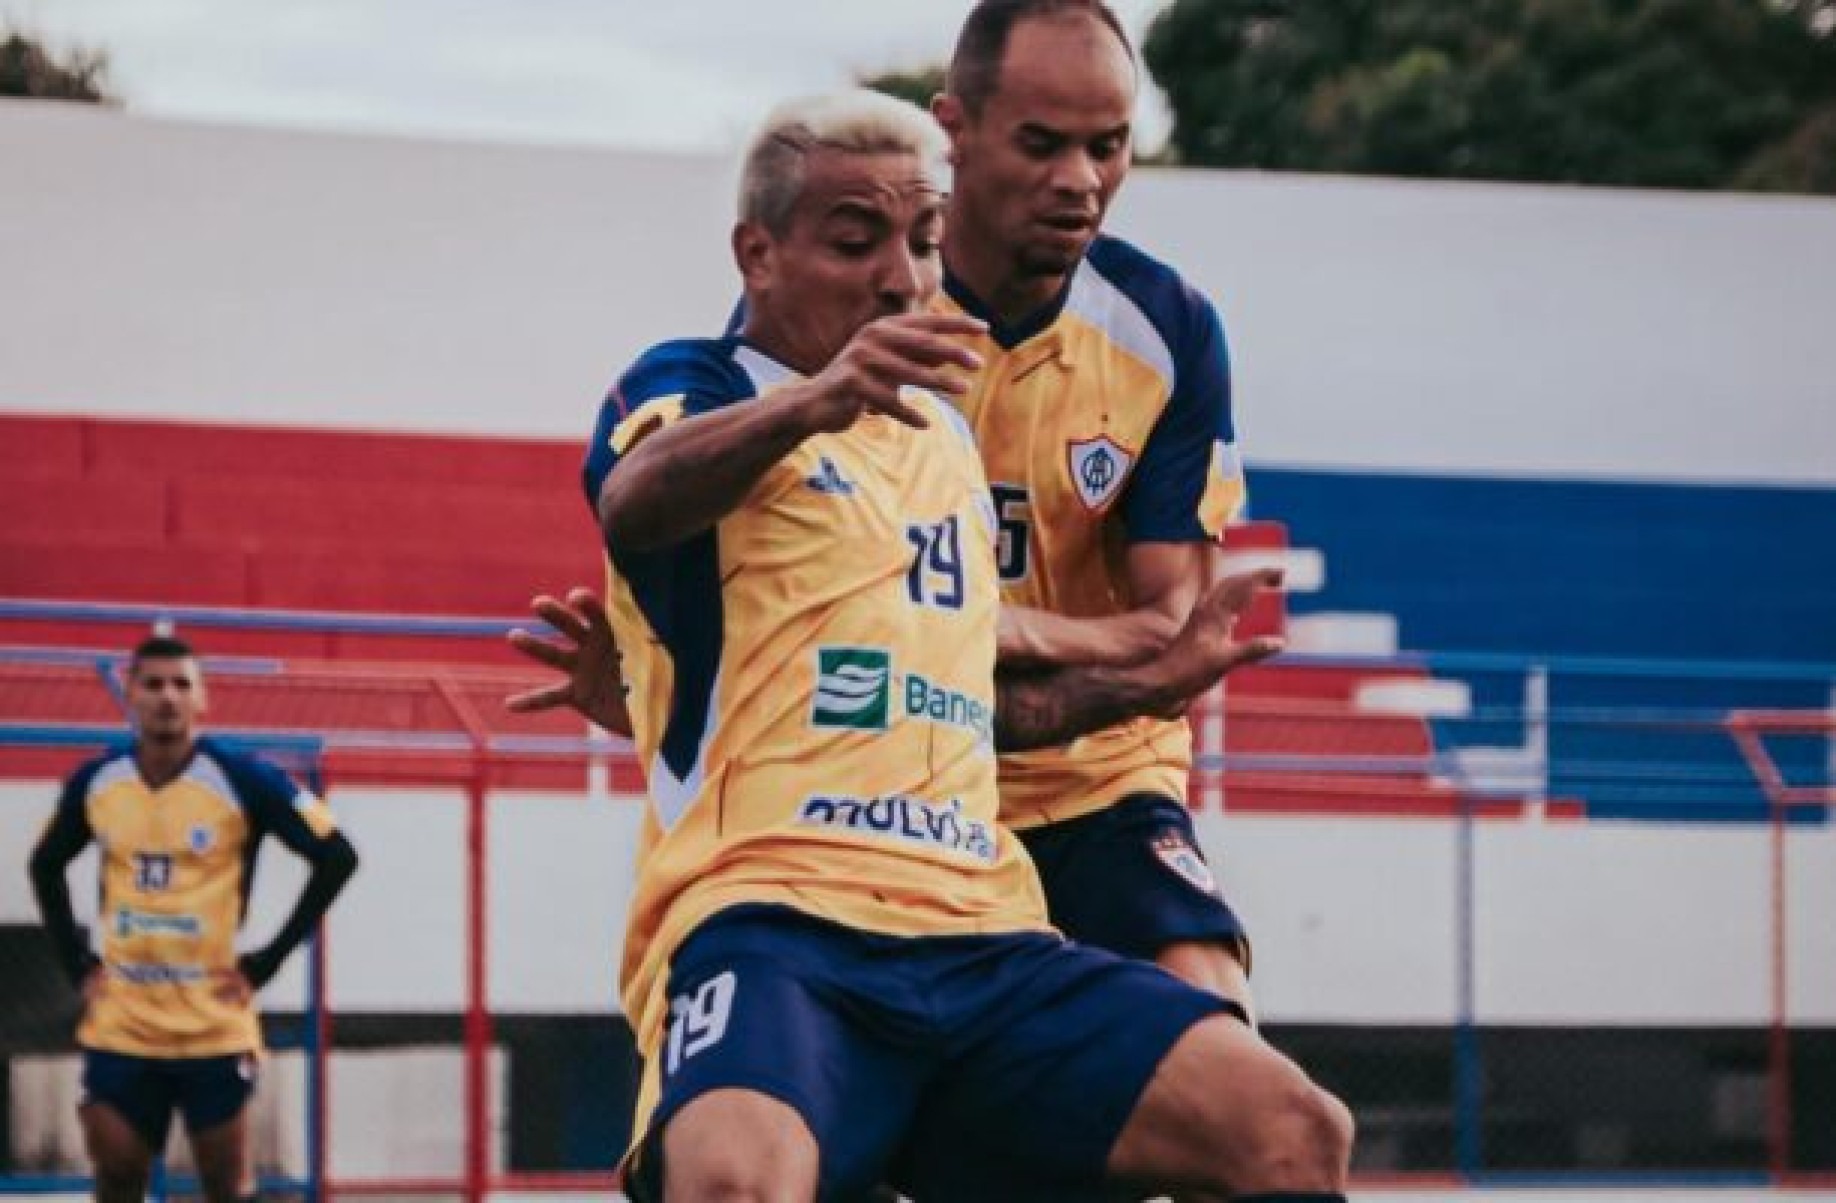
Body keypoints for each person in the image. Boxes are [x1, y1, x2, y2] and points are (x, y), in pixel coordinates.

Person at [568, 88, 1349, 1202]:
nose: (902, 276)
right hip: (777, 924)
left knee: (1291, 1128)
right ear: (759, 253)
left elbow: (992, 706)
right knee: (732, 1181)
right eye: (857, 241)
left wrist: (1146, 684)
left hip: (980, 933)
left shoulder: (940, 438)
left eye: (925, 242)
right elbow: (638, 497)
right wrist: (819, 402)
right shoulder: (700, 386)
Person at [27, 635, 359, 1203]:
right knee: (118, 1172)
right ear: (130, 692)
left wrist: (264, 963)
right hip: (124, 1019)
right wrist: (78, 963)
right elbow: (45, 864)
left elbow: (337, 856)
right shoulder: (99, 783)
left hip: (212, 1021)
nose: (167, 697)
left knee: (224, 1189)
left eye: (182, 684)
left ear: (203, 698)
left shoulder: (243, 777)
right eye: (153, 683)